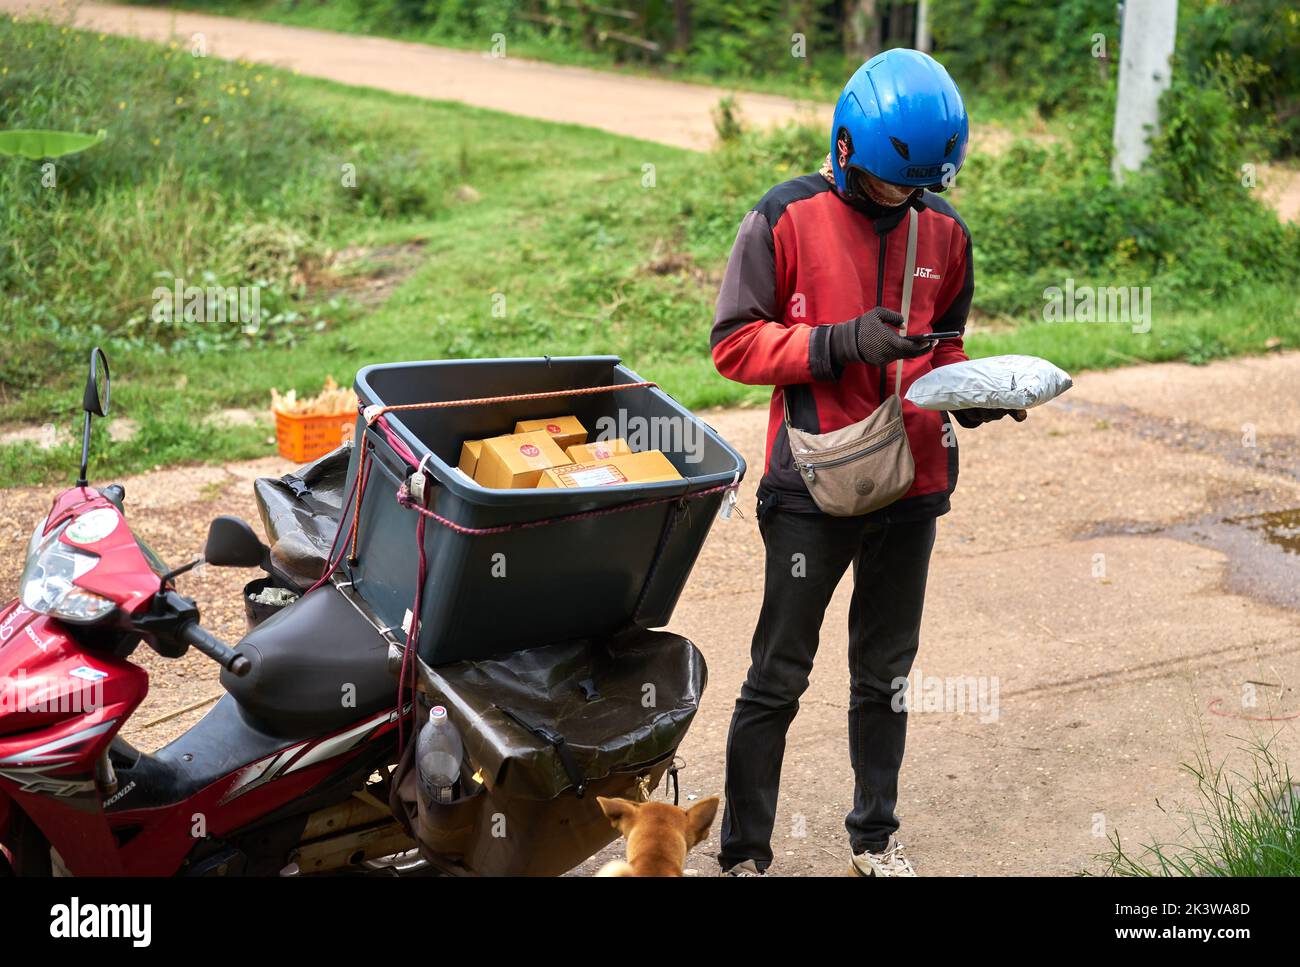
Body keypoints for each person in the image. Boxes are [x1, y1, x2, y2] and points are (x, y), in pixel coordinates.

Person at [710, 48, 1025, 877]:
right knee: (777, 675)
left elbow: (945, 344)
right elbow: (734, 345)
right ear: (846, 146)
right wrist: (839, 341)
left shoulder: (945, 230)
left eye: (917, 185)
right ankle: (744, 853)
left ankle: (875, 841)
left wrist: (972, 393)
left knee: (885, 674)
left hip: (913, 483)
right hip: (813, 482)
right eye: (889, 181)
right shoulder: (783, 216)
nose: (901, 198)